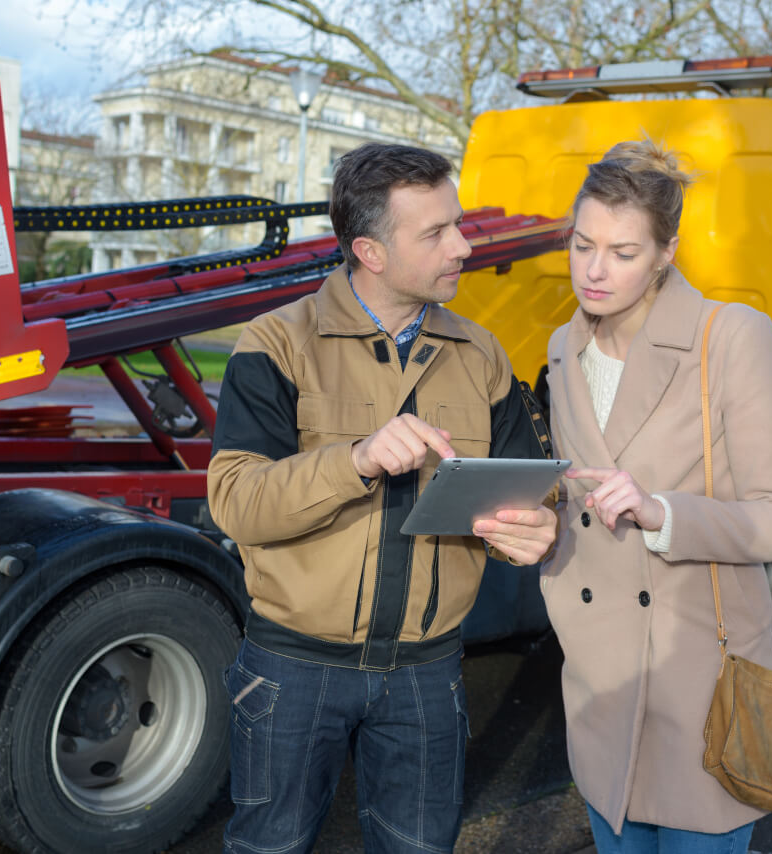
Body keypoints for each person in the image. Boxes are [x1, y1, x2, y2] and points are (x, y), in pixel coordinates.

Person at [207, 142, 558, 853]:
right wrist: (356, 459)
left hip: (428, 674)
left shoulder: (484, 355)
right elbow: (238, 503)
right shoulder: (276, 343)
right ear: (369, 249)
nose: (464, 245)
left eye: (456, 224)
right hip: (291, 671)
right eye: (435, 233)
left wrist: (534, 531)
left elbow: (524, 492)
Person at [540, 140, 772, 853]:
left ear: (667, 251)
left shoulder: (730, 338)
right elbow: (577, 505)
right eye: (582, 244)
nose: (595, 270)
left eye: (624, 252)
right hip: (600, 688)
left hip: (701, 693)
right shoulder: (562, 347)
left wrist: (663, 513)